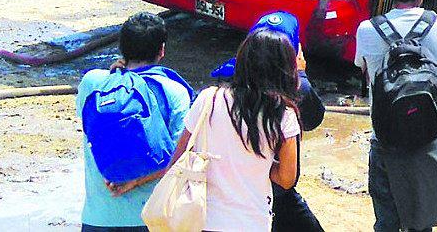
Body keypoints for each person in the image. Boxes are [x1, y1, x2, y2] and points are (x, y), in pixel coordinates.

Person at [355, 0, 437, 232]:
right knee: (423, 223)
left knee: (387, 222)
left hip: (385, 139)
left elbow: (365, 71)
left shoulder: (367, 30)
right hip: (428, 137)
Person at [169, 26, 302, 232]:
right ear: (285, 69)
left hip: (201, 218)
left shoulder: (209, 98)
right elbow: (286, 179)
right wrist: (261, 165)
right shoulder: (283, 115)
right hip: (251, 222)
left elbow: (178, 157)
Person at [210, 12, 326, 232]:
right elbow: (313, 120)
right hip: (273, 195)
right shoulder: (292, 95)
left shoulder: (221, 87)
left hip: (226, 190)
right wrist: (301, 74)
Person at [77, 12, 193, 232]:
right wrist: (135, 181)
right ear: (162, 50)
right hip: (151, 217)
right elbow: (180, 157)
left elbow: (92, 128)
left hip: (98, 216)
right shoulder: (174, 91)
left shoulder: (92, 83)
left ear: (121, 48)